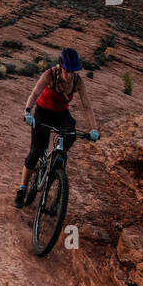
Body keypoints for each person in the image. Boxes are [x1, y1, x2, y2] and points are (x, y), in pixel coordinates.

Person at [15, 47, 100, 208]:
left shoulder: (77, 81)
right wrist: (28, 112)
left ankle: (59, 158)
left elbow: (87, 106)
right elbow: (34, 93)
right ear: (61, 67)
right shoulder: (50, 74)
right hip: (43, 112)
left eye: (73, 72)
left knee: (72, 133)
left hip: (61, 114)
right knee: (36, 151)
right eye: (67, 71)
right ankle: (22, 189)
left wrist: (94, 129)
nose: (69, 75)